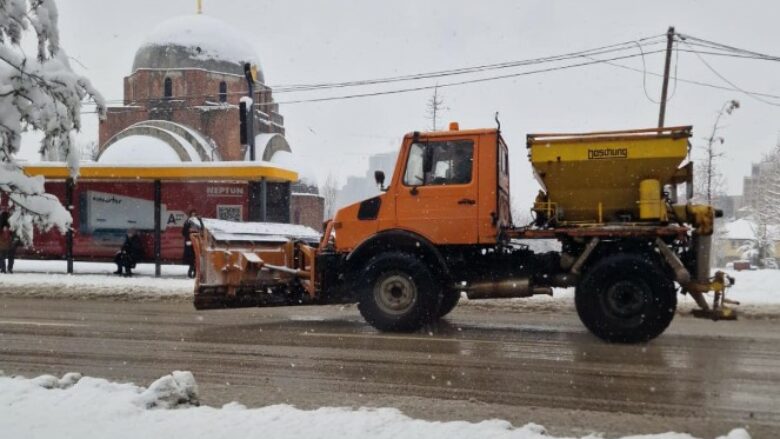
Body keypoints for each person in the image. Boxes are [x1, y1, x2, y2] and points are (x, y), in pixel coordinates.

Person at [182, 209, 204, 278]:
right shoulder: (187, 222)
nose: (193, 216)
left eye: (194, 215)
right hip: (190, 241)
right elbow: (184, 232)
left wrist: (200, 220)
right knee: (191, 256)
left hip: (197, 240)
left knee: (196, 255)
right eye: (192, 215)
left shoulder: (198, 222)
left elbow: (202, 229)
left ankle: (194, 270)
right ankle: (192, 269)